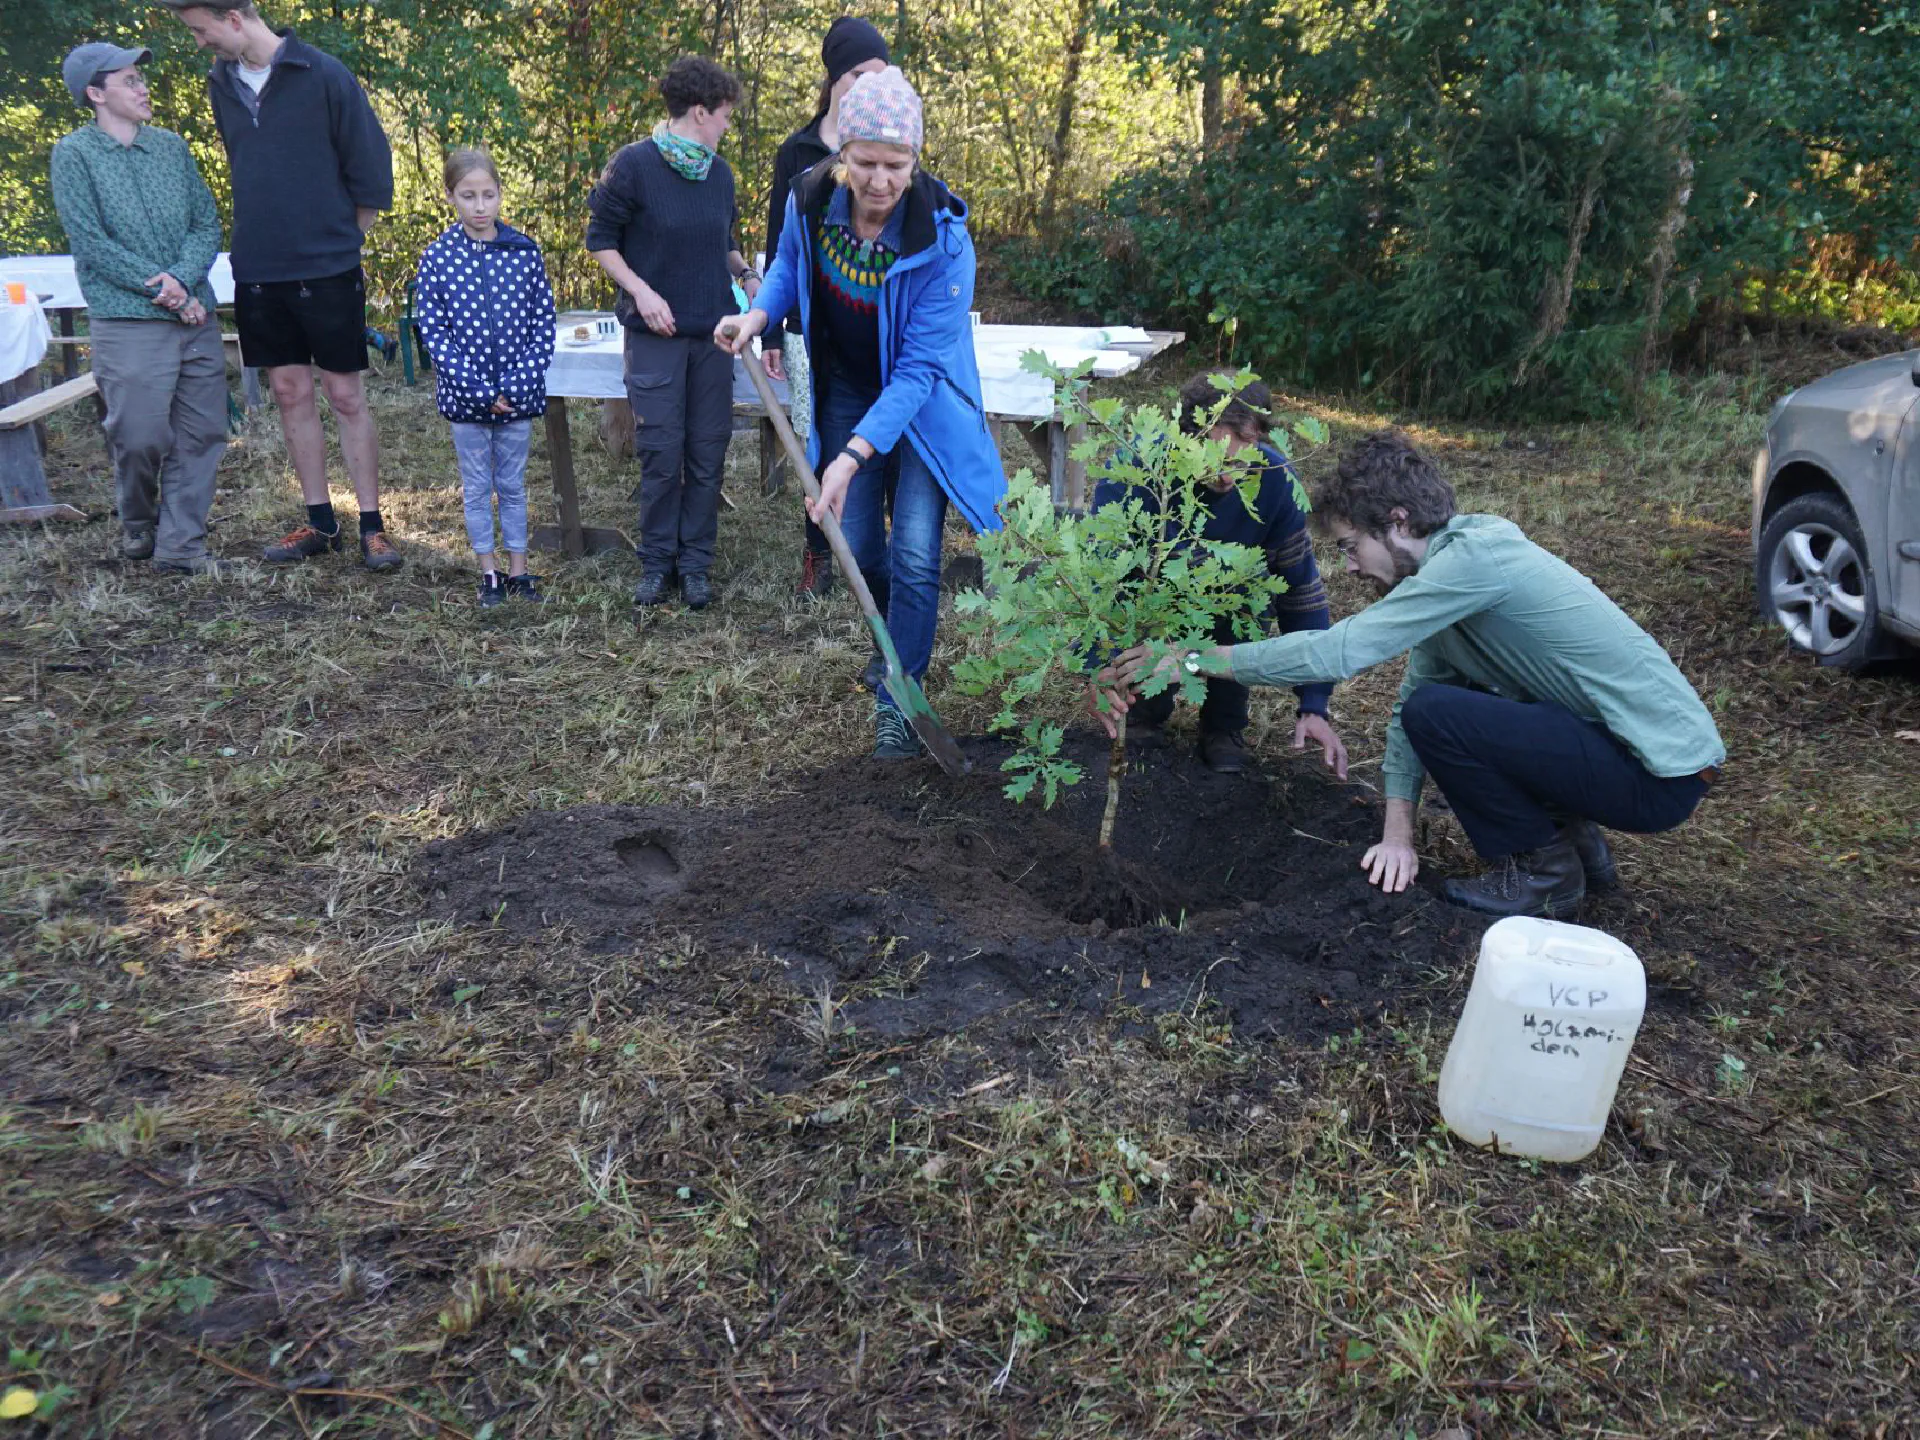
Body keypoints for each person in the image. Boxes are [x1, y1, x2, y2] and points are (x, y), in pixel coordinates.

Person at [1104, 430, 1727, 919]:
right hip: (1637, 761)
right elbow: (1407, 709)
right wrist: (1397, 833)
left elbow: (1336, 653)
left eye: (1350, 545)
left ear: (1398, 522)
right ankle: (1575, 849)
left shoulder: (1473, 562)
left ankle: (1544, 876)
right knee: (1434, 708)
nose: (1348, 567)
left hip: (1657, 774)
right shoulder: (1449, 582)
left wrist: (1195, 657)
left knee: (1446, 715)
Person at [718, 66, 1007, 760]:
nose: (880, 181)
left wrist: (850, 457)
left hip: (921, 406)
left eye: (896, 164)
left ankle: (898, 697)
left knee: (913, 554)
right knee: (858, 545)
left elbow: (916, 372)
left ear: (916, 159)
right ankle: (891, 648)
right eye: (866, 162)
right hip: (846, 386)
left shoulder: (944, 238)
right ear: (842, 154)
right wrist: (759, 315)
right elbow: (789, 264)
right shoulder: (809, 198)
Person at [160, 0, 402, 572]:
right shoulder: (221, 85)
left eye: (202, 30)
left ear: (235, 19)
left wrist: (342, 245)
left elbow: (372, 172)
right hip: (259, 271)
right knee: (291, 394)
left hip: (329, 271)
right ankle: (321, 522)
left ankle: (372, 526)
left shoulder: (324, 75)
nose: (199, 44)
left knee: (345, 396)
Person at [1086, 373, 1349, 776]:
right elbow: (1098, 581)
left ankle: (1224, 724)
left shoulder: (1277, 483)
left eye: (1240, 460)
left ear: (1260, 439)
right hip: (1149, 610)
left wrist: (1314, 703)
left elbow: (1300, 595)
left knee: (1248, 596)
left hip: (1231, 612)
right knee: (1138, 704)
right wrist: (1098, 666)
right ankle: (1143, 709)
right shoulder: (1133, 470)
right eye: (1213, 461)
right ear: (1182, 441)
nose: (1227, 477)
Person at [587, 55, 759, 612]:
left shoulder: (720, 171)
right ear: (700, 110)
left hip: (713, 335)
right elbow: (600, 241)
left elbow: (723, 242)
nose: (728, 126)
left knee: (708, 452)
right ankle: (657, 565)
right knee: (662, 453)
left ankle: (696, 566)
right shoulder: (632, 166)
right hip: (655, 335)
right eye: (725, 115)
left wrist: (747, 275)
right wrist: (641, 290)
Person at [49, 42, 226, 575]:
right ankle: (138, 520)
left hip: (195, 314)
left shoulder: (171, 147)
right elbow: (90, 242)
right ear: (96, 94)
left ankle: (181, 545)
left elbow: (206, 223)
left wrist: (182, 282)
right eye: (129, 80)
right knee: (141, 436)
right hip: (128, 319)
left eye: (139, 79)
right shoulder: (74, 154)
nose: (142, 87)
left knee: (202, 434)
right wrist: (164, 290)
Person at [763, 15, 893, 598]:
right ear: (839, 77)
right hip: (808, 330)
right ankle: (818, 553)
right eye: (864, 72)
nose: (873, 83)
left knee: (870, 441)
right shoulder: (798, 151)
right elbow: (780, 247)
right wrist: (770, 330)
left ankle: (872, 556)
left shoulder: (889, 141)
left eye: (882, 73)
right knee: (814, 440)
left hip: (868, 325)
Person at [414, 148, 556, 608]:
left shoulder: (524, 252)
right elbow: (434, 332)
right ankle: (488, 572)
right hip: (465, 401)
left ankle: (519, 570)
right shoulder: (438, 258)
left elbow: (543, 325)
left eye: (488, 195)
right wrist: (478, 390)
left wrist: (513, 388)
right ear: (451, 196)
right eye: (468, 196)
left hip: (518, 399)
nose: (479, 206)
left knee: (513, 485)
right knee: (477, 487)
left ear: (499, 195)